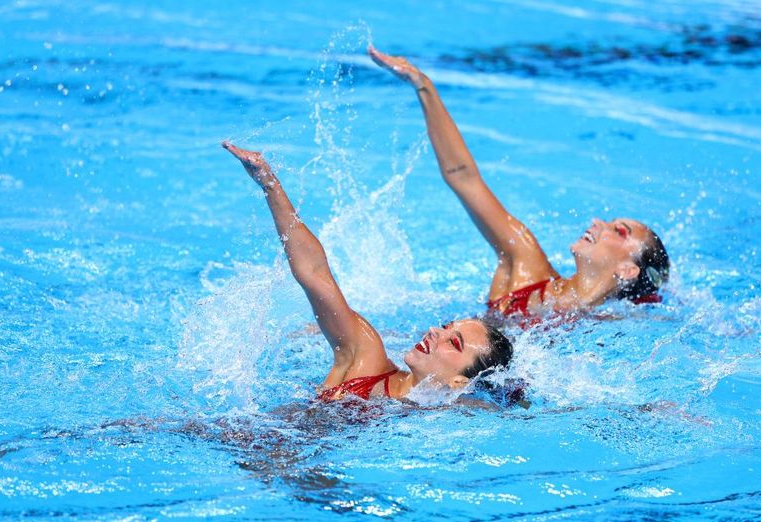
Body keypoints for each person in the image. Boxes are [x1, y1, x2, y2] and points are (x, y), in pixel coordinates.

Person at [368, 46, 670, 323]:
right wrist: (423, 86)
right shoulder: (525, 266)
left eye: (619, 231)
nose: (597, 222)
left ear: (627, 271)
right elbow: (462, 176)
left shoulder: (612, 325)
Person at [222, 142, 513, 402]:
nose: (435, 331)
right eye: (446, 326)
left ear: (459, 382)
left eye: (453, 342)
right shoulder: (365, 357)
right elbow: (315, 273)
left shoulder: (452, 417)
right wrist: (270, 184)